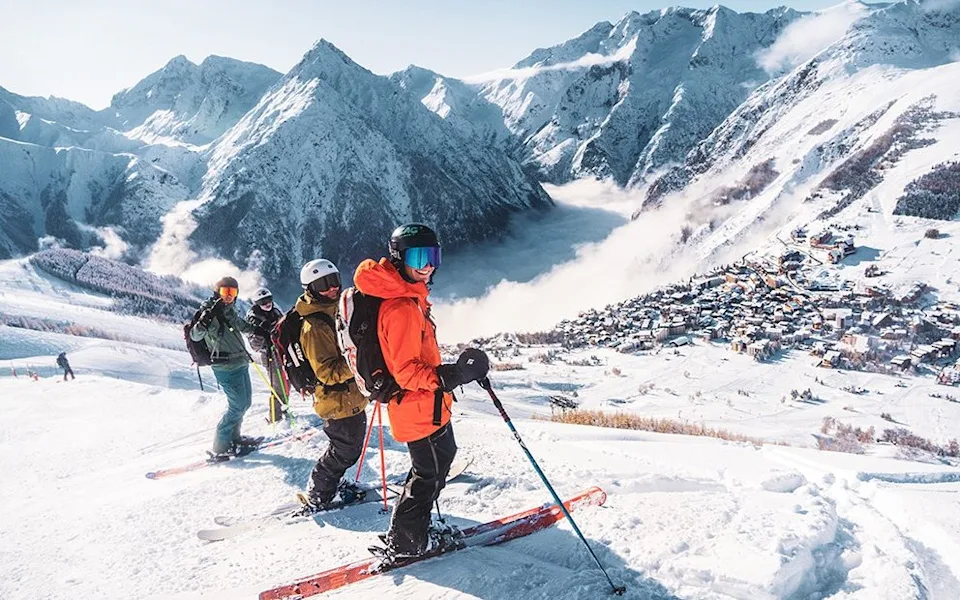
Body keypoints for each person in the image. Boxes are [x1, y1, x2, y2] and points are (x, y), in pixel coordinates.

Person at [353, 223, 489, 558]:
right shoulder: (400, 307)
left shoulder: (411, 296)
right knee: (426, 475)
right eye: (419, 256)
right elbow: (406, 371)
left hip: (431, 405)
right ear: (399, 258)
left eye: (434, 256)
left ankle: (416, 528)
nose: (428, 265)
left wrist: (449, 377)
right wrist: (451, 375)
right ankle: (407, 542)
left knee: (443, 459)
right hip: (414, 406)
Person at [296, 259, 370, 510]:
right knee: (344, 450)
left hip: (352, 395)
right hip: (336, 400)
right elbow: (326, 371)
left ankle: (331, 485)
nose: (331, 288)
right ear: (310, 288)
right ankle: (319, 492)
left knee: (350, 447)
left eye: (334, 281)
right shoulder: (314, 326)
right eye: (323, 284)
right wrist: (360, 362)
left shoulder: (338, 310)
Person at [190, 276, 259, 458]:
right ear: (217, 292)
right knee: (237, 406)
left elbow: (239, 325)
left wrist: (259, 330)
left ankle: (234, 438)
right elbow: (196, 335)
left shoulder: (229, 310)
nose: (229, 296)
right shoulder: (209, 312)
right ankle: (220, 447)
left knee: (245, 403)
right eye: (225, 292)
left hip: (240, 362)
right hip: (225, 366)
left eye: (233, 292)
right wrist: (204, 320)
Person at [245, 287, 288, 423]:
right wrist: (261, 333)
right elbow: (254, 346)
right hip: (269, 354)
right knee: (277, 387)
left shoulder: (275, 311)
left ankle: (284, 409)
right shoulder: (253, 318)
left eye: (269, 299)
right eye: (263, 302)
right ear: (256, 303)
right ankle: (275, 418)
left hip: (281, 351)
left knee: (286, 382)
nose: (267, 303)